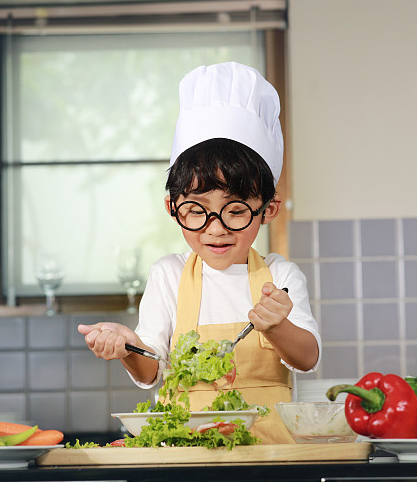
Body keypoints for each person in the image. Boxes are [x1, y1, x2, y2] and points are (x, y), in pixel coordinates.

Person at [78, 61, 321, 443]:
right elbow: (150, 371)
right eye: (196, 211)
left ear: (268, 210)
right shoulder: (168, 275)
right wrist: (126, 346)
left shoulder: (280, 276)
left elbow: (306, 358)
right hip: (183, 451)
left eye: (236, 210)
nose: (216, 228)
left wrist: (277, 326)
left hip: (268, 454)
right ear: (173, 209)